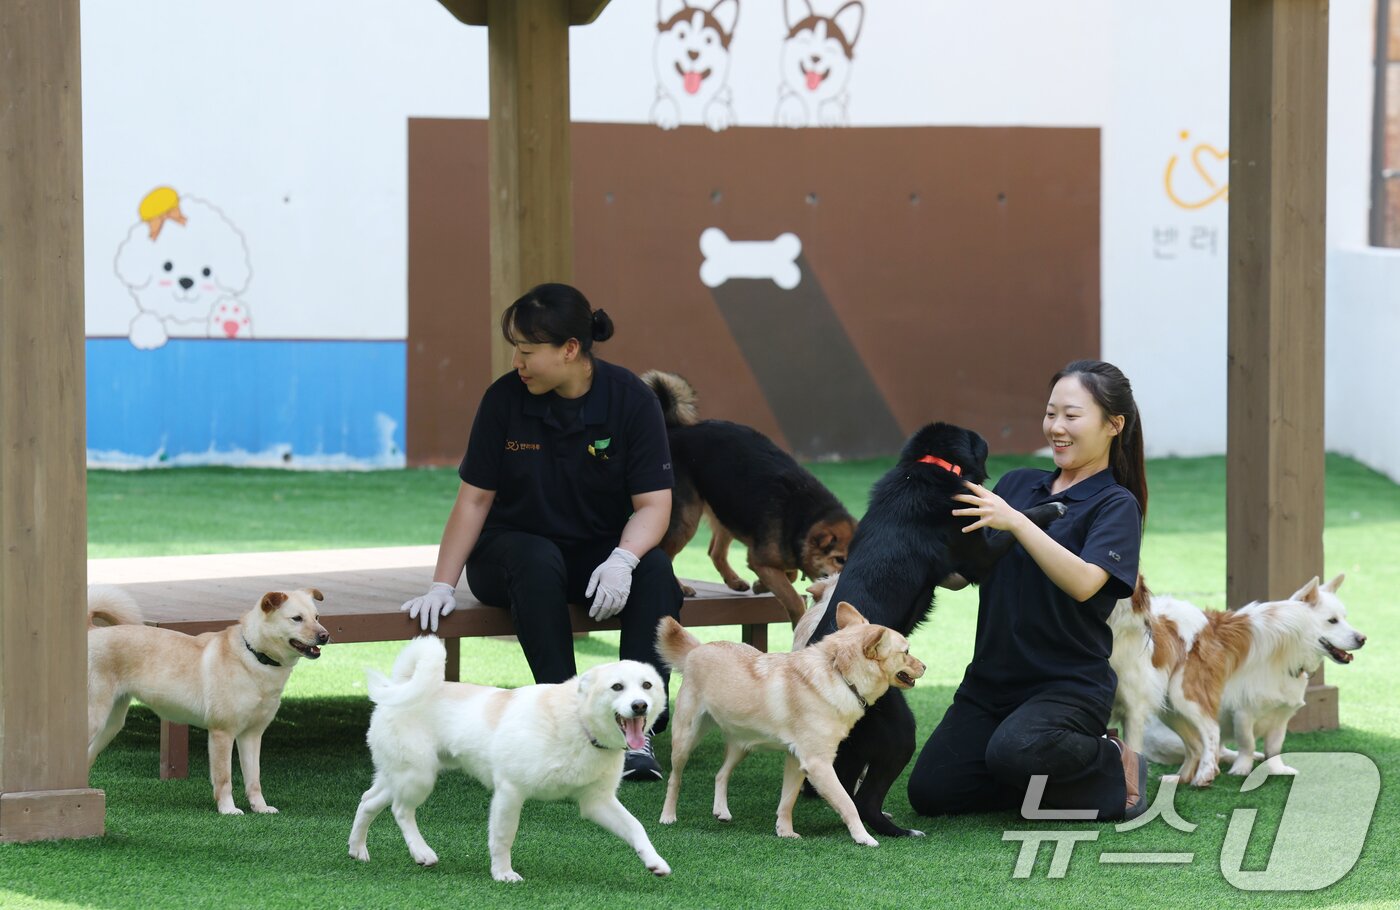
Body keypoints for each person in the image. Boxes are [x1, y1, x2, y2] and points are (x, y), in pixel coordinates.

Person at [400, 282, 683, 781]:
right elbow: (474, 500)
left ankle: (637, 733)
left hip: (594, 554)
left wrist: (623, 559)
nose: (518, 362)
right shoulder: (504, 400)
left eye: (528, 351)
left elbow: (654, 505)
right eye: (516, 349)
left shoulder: (630, 400)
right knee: (535, 558)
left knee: (655, 570)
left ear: (570, 349)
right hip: (510, 555)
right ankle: (568, 715)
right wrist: (442, 583)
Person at [906, 359, 1148, 821]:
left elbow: (1085, 583)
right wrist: (911, 547)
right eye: (1050, 413)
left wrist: (1017, 522)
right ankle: (1024, 770)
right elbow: (961, 574)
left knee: (1013, 751)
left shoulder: (1115, 504)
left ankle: (1113, 761)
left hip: (1067, 687)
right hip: (990, 684)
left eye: (1071, 416)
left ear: (1113, 425)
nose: (1056, 427)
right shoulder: (1017, 485)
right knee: (932, 792)